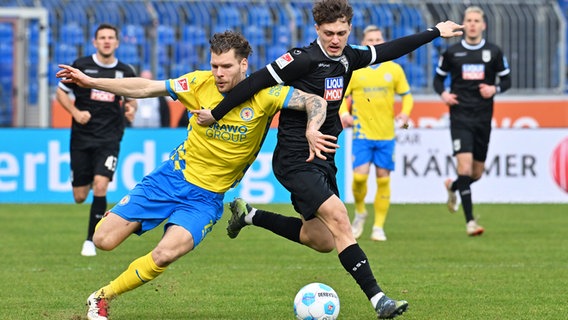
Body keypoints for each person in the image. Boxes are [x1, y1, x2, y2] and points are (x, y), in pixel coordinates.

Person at [193, 0, 464, 318]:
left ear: (350, 29)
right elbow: (255, 82)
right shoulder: (300, 59)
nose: (336, 39)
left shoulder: (350, 58)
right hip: (295, 156)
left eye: (342, 32)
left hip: (325, 155)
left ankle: (250, 216)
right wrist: (216, 113)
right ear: (317, 30)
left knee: (320, 239)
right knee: (339, 218)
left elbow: (390, 50)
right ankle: (379, 300)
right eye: (329, 33)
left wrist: (434, 31)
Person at [56, 30, 333, 320]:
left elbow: (316, 102)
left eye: (226, 66)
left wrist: (312, 128)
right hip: (169, 179)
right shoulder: (199, 83)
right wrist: (91, 81)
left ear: (244, 65)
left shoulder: (264, 94)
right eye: (214, 66)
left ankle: (101, 297)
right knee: (103, 239)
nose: (218, 73)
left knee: (165, 254)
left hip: (205, 200)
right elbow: (146, 88)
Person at [55, 23, 138, 257]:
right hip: (81, 138)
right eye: (102, 37)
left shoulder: (125, 71)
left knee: (101, 185)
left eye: (111, 37)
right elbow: (61, 92)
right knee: (80, 196)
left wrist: (131, 109)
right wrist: (75, 113)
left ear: (117, 42)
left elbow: (133, 98)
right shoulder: (81, 66)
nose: (106, 41)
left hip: (110, 137)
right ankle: (87, 179)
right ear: (95, 42)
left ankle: (91, 240)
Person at [433, 6, 511, 236]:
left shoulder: (494, 52)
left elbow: (507, 81)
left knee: (475, 173)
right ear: (464, 24)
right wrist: (444, 94)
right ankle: (470, 223)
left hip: (483, 118)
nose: (473, 24)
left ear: (483, 25)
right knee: (464, 167)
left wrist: (494, 88)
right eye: (469, 20)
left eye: (477, 20)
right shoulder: (452, 53)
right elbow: (438, 80)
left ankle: (453, 186)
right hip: (460, 116)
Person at [338, 25, 414, 242]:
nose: (376, 41)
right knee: (360, 177)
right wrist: (344, 114)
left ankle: (379, 226)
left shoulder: (394, 69)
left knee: (383, 179)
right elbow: (342, 96)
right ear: (365, 43)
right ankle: (360, 212)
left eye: (379, 38)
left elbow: (407, 96)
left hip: (386, 134)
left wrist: (405, 114)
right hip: (362, 133)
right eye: (371, 38)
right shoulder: (356, 70)